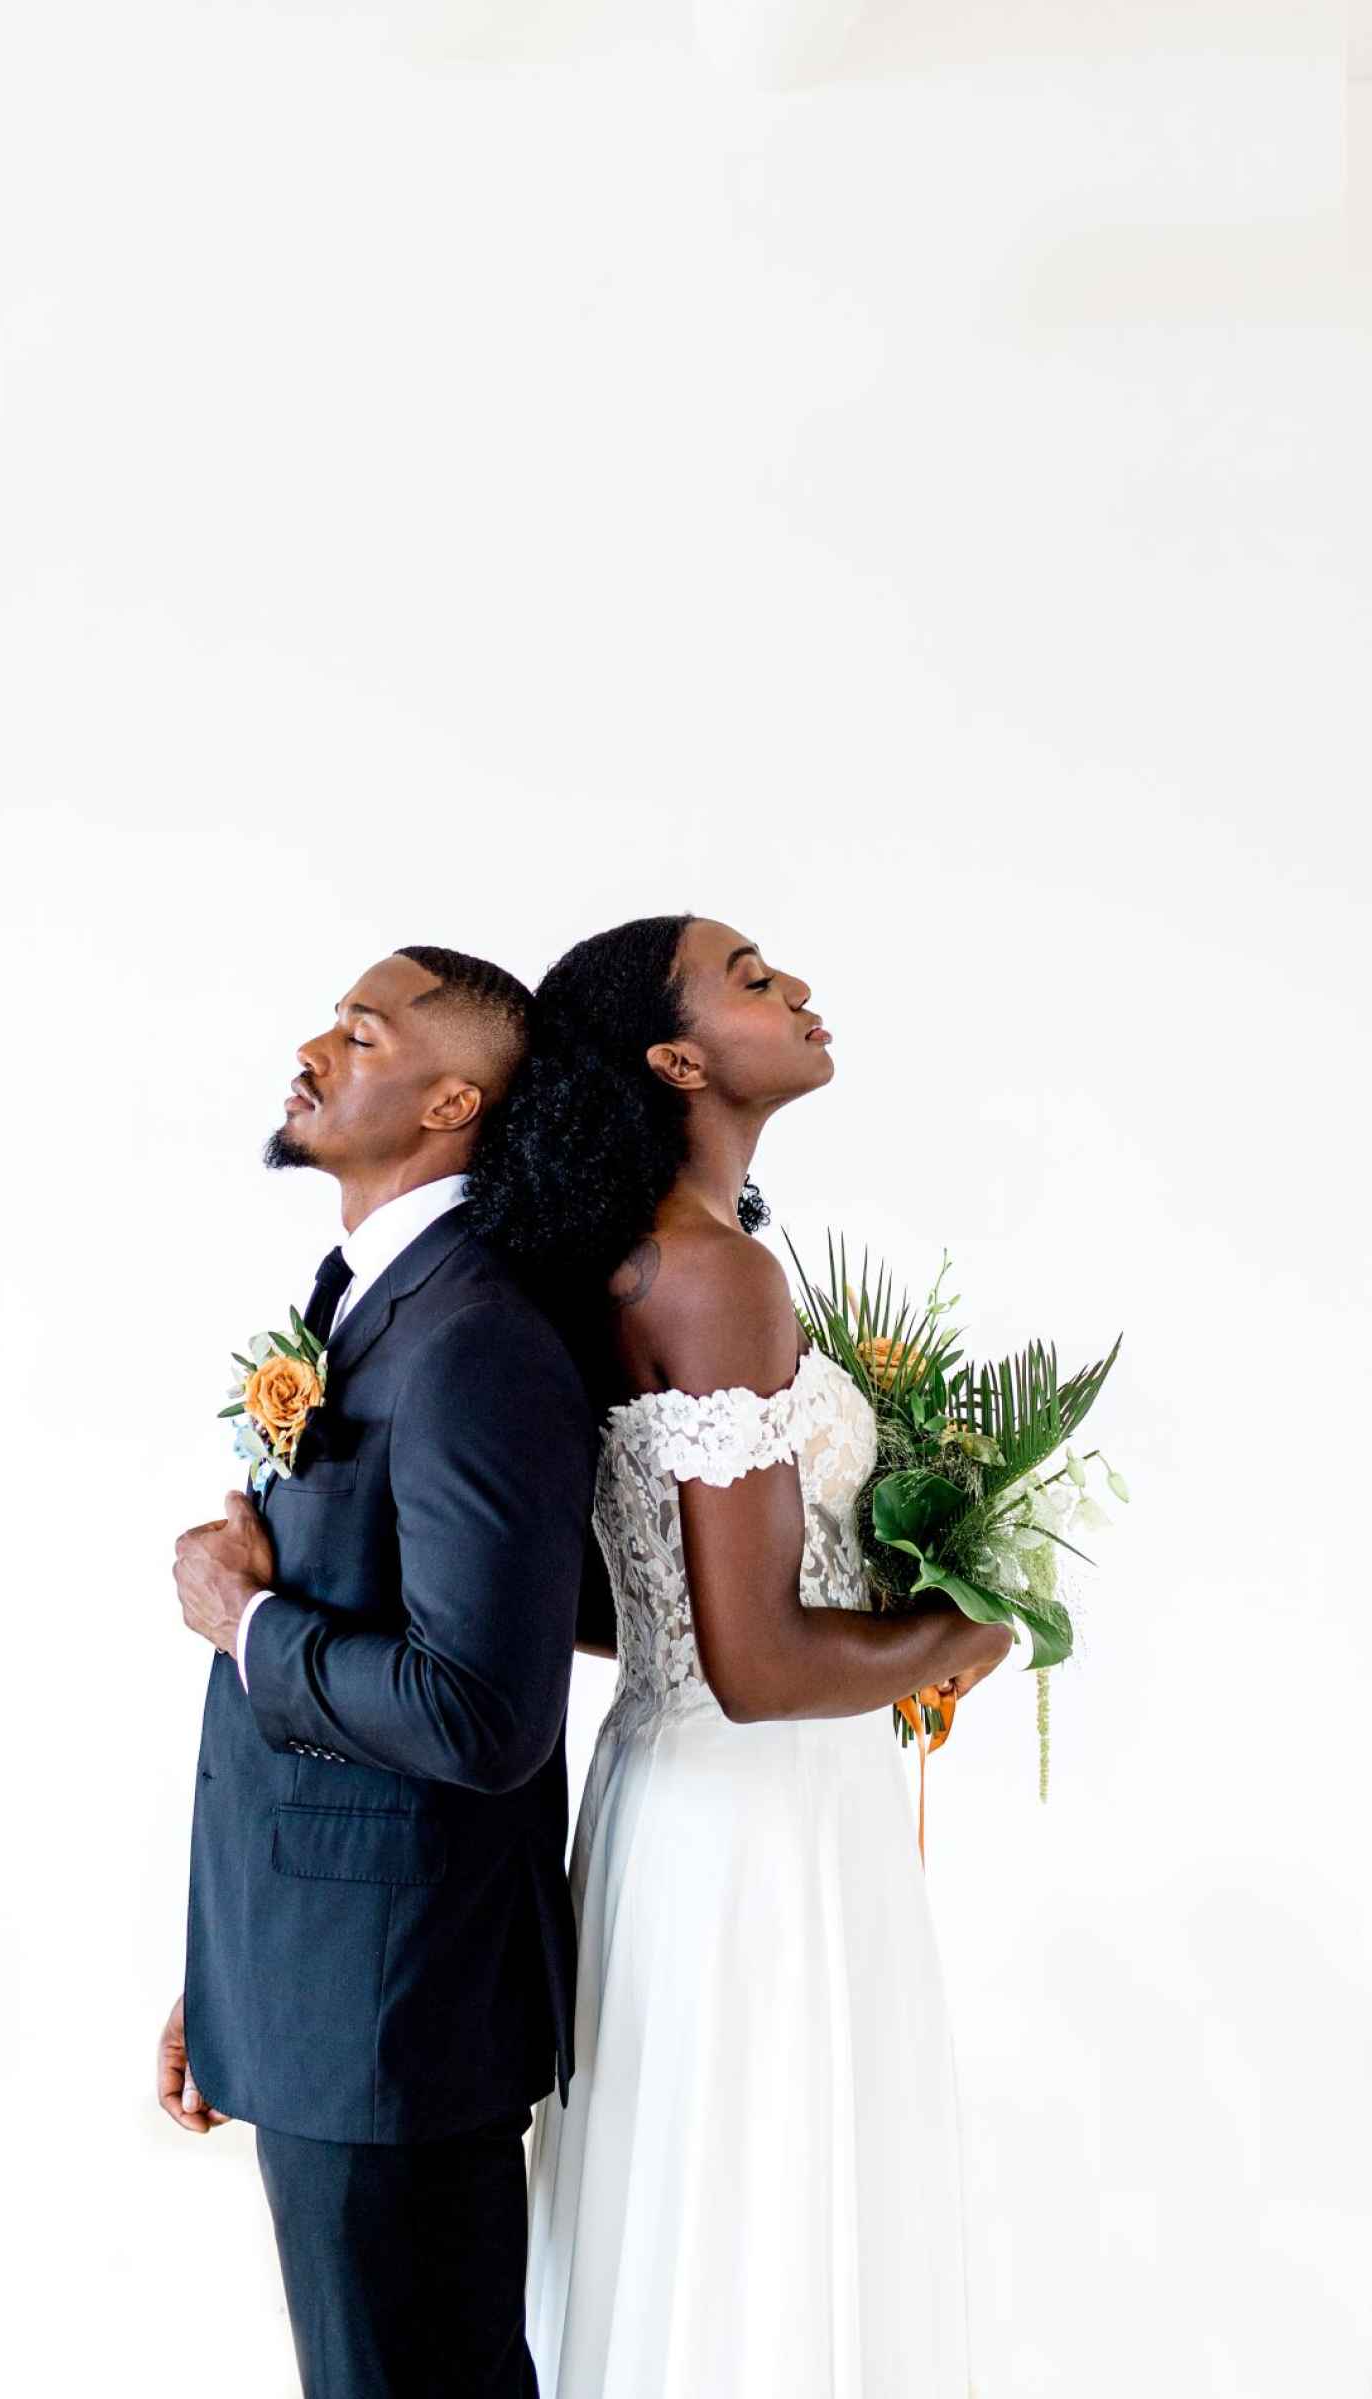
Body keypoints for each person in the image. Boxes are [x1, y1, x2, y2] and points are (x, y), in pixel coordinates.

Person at [467, 914, 1013, 2399]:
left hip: (685, 1798)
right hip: (758, 1820)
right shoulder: (713, 1273)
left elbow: (629, 1606)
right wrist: (967, 1627)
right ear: (678, 1060)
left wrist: (883, 1613)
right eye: (755, 981)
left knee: (707, 2220)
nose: (800, 990)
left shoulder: (635, 1258)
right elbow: (759, 1666)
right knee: (764, 2219)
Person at [159, 945, 597, 2399]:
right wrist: (233, 1973)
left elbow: (481, 1715)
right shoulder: (366, 1296)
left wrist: (245, 1623)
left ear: (453, 1101)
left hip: (398, 2017)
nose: (313, 1050)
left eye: (359, 1033)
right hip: (323, 1982)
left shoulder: (477, 1339)